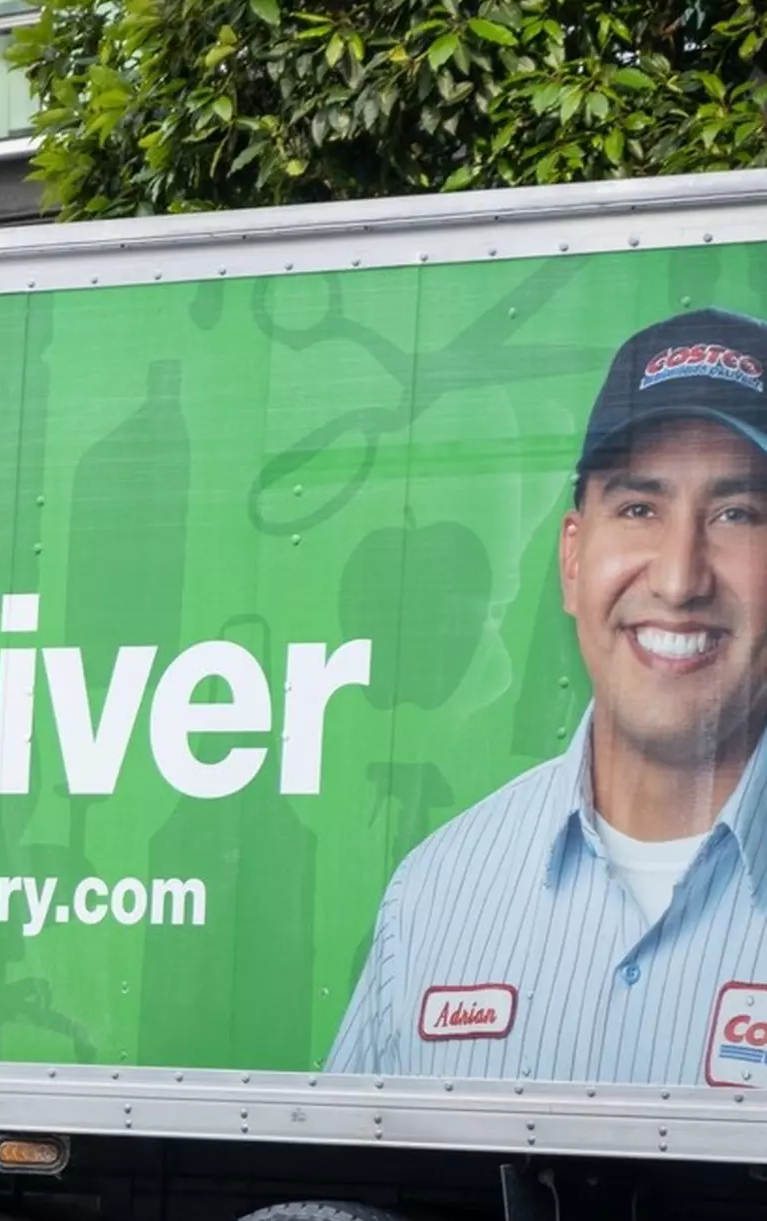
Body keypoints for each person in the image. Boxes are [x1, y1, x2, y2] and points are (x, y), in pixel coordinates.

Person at [328, 306, 767, 1086]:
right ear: (572, 559)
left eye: (737, 514)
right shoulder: (435, 895)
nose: (678, 578)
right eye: (639, 508)